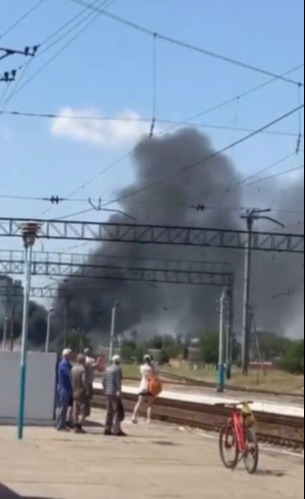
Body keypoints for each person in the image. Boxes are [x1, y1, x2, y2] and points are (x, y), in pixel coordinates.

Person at [102, 355, 126, 436]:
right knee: (116, 411)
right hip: (115, 392)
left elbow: (103, 381)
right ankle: (116, 429)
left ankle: (107, 428)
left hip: (107, 392)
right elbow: (118, 381)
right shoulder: (118, 369)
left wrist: (105, 389)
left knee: (109, 411)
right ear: (118, 361)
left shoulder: (107, 369)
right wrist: (119, 391)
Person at [131, 354, 157, 424]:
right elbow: (155, 374)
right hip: (151, 387)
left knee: (139, 402)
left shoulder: (142, 367)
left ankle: (134, 416)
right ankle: (149, 419)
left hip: (143, 387)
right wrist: (153, 365)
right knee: (150, 404)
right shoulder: (152, 367)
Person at [71, 354, 90, 434]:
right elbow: (84, 380)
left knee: (75, 410)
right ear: (83, 360)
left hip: (74, 391)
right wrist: (87, 389)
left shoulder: (73, 369)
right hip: (82, 392)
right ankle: (79, 426)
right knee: (83, 410)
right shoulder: (83, 369)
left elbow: (71, 380)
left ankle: (75, 425)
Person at [55, 348, 72, 431]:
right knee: (63, 407)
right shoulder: (64, 364)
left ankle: (60, 424)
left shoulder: (64, 363)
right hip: (64, 387)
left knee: (61, 407)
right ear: (66, 355)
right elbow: (69, 374)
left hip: (63, 386)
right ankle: (61, 425)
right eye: (69, 354)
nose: (71, 356)